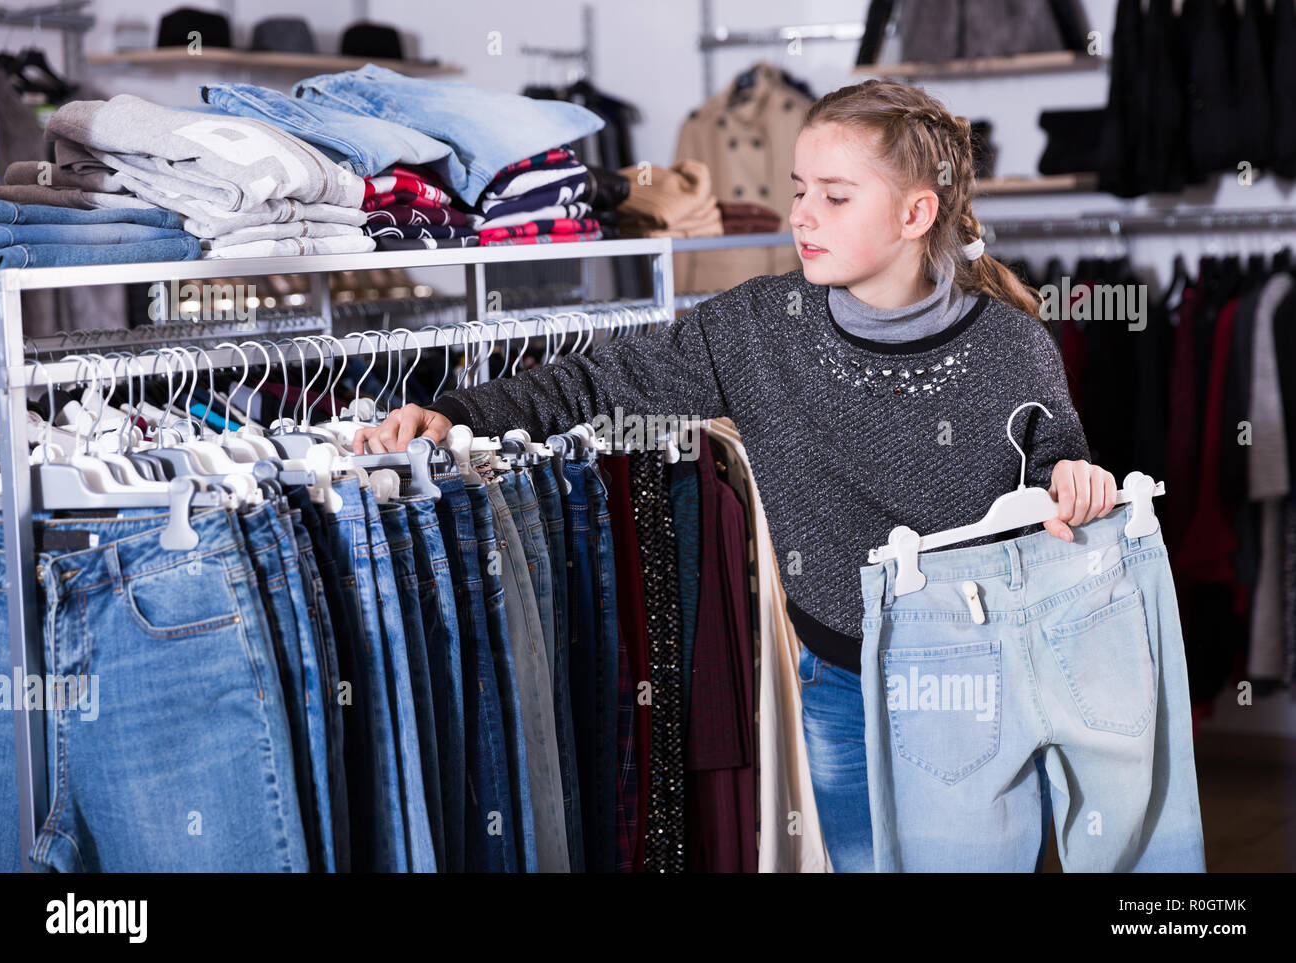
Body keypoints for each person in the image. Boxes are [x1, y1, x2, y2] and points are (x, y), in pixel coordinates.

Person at [352, 79, 1118, 871]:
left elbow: (1057, 460)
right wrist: (454, 411)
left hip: (976, 683)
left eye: (835, 195)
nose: (803, 215)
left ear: (916, 213)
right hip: (835, 684)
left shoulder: (1011, 345)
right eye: (798, 191)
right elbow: (595, 382)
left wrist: (1076, 477)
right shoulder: (755, 327)